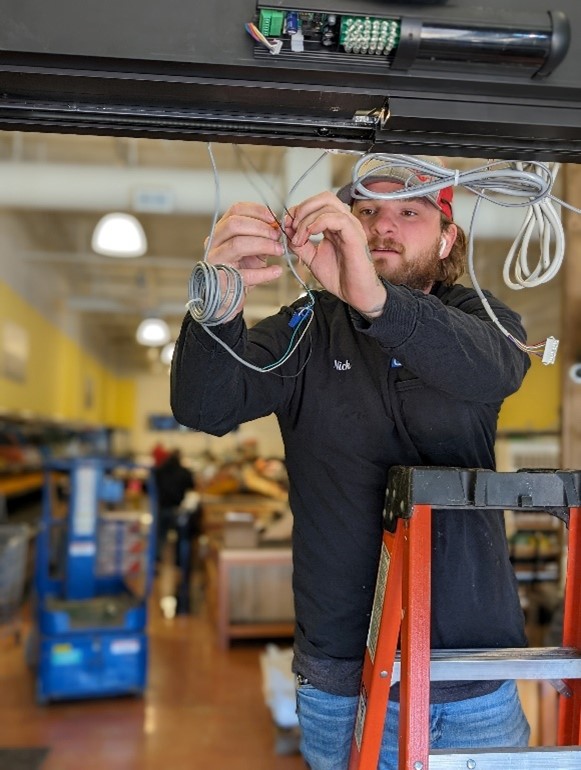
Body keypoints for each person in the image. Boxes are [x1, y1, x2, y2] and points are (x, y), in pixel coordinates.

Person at [170, 154, 531, 769]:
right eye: (366, 212)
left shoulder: (480, 319)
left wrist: (373, 297)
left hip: (474, 667)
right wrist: (219, 297)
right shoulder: (307, 329)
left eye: (409, 213)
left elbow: (495, 367)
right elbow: (207, 406)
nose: (383, 226)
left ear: (447, 237)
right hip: (346, 672)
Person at [153, 448, 195, 562]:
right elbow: (191, 486)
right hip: (178, 508)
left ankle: (156, 558)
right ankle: (180, 560)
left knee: (160, 535)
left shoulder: (159, 471)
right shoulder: (184, 472)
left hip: (162, 507)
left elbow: (151, 485)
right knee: (181, 537)